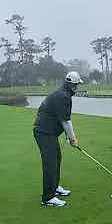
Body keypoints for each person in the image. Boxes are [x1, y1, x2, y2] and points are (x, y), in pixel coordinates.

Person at [33, 71, 83, 207]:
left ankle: (54, 188)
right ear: (72, 85)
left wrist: (68, 136)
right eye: (77, 84)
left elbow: (62, 119)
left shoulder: (63, 94)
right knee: (50, 164)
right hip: (43, 132)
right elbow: (66, 121)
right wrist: (73, 139)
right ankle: (48, 198)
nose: (77, 87)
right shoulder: (63, 96)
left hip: (50, 133)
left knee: (56, 159)